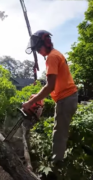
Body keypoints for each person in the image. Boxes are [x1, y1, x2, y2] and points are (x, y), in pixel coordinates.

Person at [22, 30, 78, 163]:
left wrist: (30, 103)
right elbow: (55, 85)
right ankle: (61, 156)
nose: (39, 52)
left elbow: (50, 86)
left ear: (43, 44)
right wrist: (39, 97)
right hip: (68, 97)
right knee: (62, 130)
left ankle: (56, 166)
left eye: (37, 49)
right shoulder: (55, 54)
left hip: (66, 99)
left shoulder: (52, 57)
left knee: (59, 134)